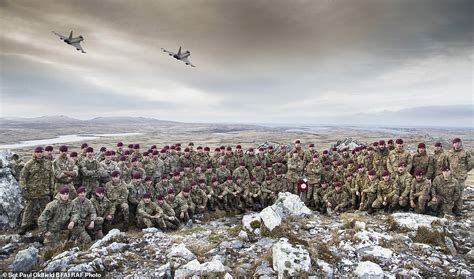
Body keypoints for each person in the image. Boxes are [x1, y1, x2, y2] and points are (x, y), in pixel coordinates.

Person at [19, 146, 54, 235]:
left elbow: (51, 177)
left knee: (46, 209)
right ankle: (24, 226)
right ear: (34, 153)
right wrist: (24, 189)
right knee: (29, 209)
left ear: (43, 153)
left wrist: (51, 188)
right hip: (32, 192)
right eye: (37, 152)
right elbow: (23, 177)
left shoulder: (48, 163)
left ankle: (45, 226)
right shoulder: (29, 164)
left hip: (44, 191)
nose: (39, 154)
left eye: (41, 152)